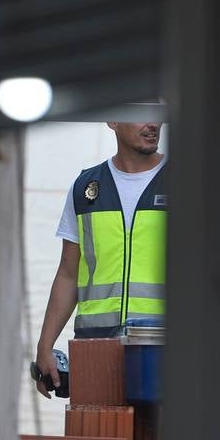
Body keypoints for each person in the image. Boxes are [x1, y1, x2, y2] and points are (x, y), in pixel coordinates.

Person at [33, 120, 166, 397]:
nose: (153, 122)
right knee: (98, 437)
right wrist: (45, 346)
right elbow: (69, 272)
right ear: (113, 120)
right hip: (95, 347)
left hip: (165, 349)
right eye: (141, 112)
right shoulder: (85, 187)